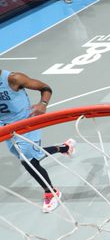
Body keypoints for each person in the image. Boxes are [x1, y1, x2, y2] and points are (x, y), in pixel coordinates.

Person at [0, 70, 75, 212]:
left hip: (26, 123)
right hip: (6, 128)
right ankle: (65, 147)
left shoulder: (13, 78)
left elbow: (45, 88)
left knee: (28, 161)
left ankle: (51, 192)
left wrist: (43, 103)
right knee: (33, 155)